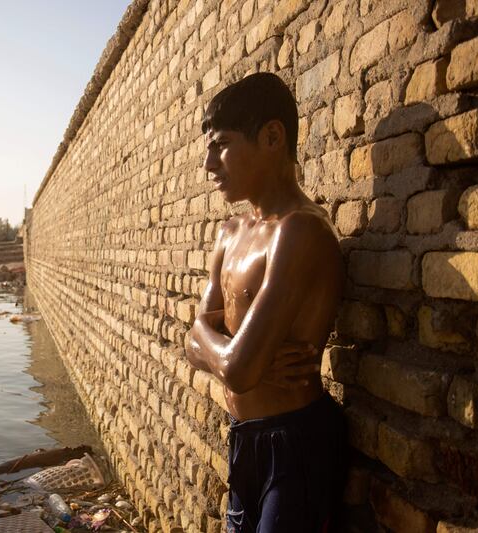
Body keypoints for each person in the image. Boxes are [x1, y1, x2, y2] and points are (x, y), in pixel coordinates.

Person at [185, 72, 347, 532]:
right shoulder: (230, 233)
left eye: (221, 144)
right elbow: (196, 345)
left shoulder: (300, 232)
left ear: (272, 136)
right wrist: (208, 339)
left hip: (296, 441)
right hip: (243, 436)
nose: (208, 163)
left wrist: (209, 339)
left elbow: (235, 367)